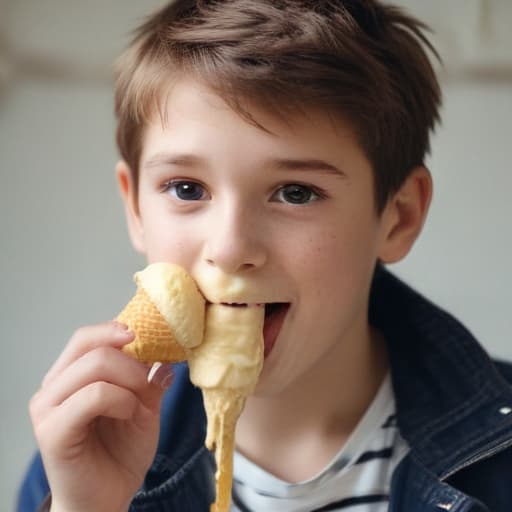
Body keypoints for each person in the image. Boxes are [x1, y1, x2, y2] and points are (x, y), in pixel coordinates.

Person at [17, 1, 512, 511]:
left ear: (399, 216)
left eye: (296, 192)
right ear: (136, 206)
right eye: (187, 188)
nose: (230, 250)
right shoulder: (83, 453)